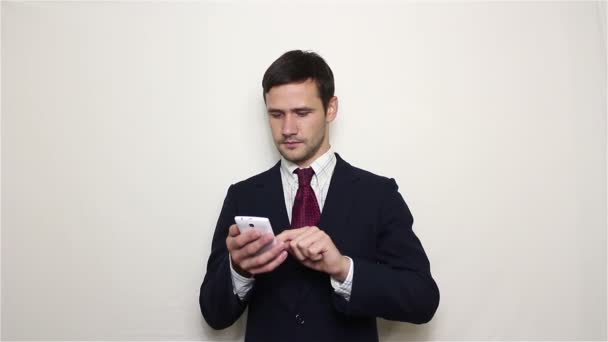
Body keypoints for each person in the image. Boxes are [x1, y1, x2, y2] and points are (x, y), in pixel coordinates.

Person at [199, 50, 439, 342]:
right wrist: (239, 270)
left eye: (302, 113)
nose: (287, 129)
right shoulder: (242, 196)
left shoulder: (378, 195)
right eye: (276, 114)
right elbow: (213, 314)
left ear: (331, 109)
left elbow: (422, 299)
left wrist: (343, 269)